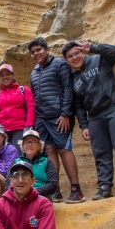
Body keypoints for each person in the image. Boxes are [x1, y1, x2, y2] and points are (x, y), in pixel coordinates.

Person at [63, 40, 115, 200]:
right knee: (100, 152)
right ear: (66, 60)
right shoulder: (73, 78)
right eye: (70, 56)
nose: (75, 57)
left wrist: (95, 48)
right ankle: (105, 186)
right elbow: (78, 106)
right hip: (95, 116)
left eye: (77, 53)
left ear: (82, 52)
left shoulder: (99, 59)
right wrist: (84, 125)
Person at [27, 37, 84, 203]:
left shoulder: (60, 64)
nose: (36, 54)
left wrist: (66, 113)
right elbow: (35, 96)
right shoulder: (34, 72)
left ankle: (76, 190)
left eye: (39, 50)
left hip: (59, 116)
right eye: (33, 52)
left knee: (64, 149)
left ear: (47, 50)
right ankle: (55, 189)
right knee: (49, 151)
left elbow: (68, 89)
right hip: (42, 118)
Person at [0, 63, 35, 154]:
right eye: (2, 75)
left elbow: (31, 108)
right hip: (1, 131)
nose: (5, 77)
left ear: (13, 75)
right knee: (0, 156)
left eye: (8, 74)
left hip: (19, 128)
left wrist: (28, 127)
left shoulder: (23, 90)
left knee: (18, 154)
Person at [17, 129, 58, 200]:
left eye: (33, 142)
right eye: (26, 142)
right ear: (22, 145)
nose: (29, 145)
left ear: (39, 145)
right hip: (20, 197)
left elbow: (53, 184)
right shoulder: (16, 162)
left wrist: (35, 192)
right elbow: (8, 182)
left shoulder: (47, 162)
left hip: (41, 196)